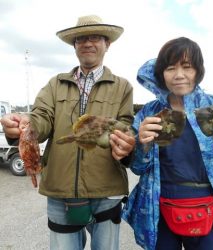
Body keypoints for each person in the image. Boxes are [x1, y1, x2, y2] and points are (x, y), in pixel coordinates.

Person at [1, 15, 135, 250]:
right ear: (74, 45)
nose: (87, 43)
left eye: (95, 37)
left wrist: (126, 145)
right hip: (60, 193)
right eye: (81, 38)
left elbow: (125, 126)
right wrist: (24, 125)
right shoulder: (56, 84)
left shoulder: (122, 87)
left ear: (107, 44)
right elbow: (40, 116)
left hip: (107, 192)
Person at [122, 37, 213, 250]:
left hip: (210, 207)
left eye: (187, 67)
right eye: (171, 68)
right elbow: (137, 167)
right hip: (159, 207)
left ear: (198, 71)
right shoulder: (149, 113)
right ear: (161, 73)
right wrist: (142, 144)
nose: (179, 75)